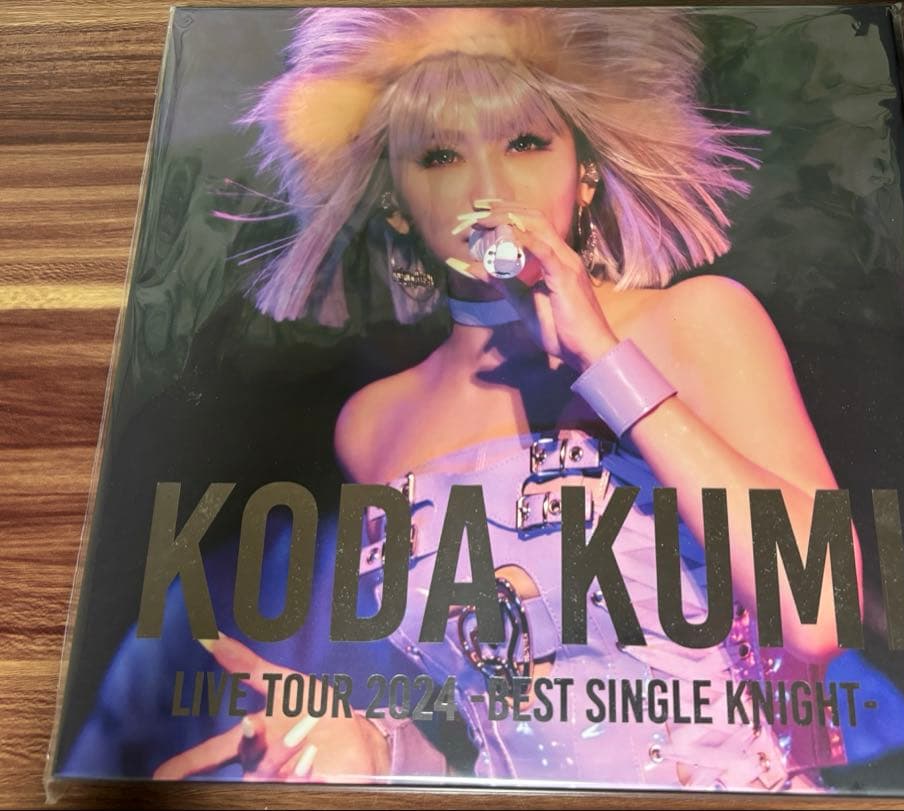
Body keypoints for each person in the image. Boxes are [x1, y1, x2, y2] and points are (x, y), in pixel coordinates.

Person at [65, 7, 859, 791]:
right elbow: (488, 734)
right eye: (441, 155)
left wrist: (605, 359)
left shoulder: (695, 321)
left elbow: (819, 613)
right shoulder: (377, 424)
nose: (487, 185)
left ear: (584, 170)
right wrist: (371, 746)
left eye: (525, 142)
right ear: (396, 202)